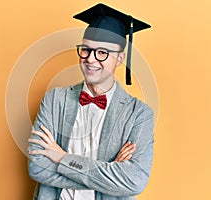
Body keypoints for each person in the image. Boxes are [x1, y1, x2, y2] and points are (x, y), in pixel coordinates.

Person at [28, 3, 154, 200]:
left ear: (120, 58)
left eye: (102, 52)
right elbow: (37, 167)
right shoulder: (54, 100)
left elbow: (134, 181)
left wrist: (62, 158)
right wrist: (110, 172)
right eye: (86, 50)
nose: (90, 59)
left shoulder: (139, 114)